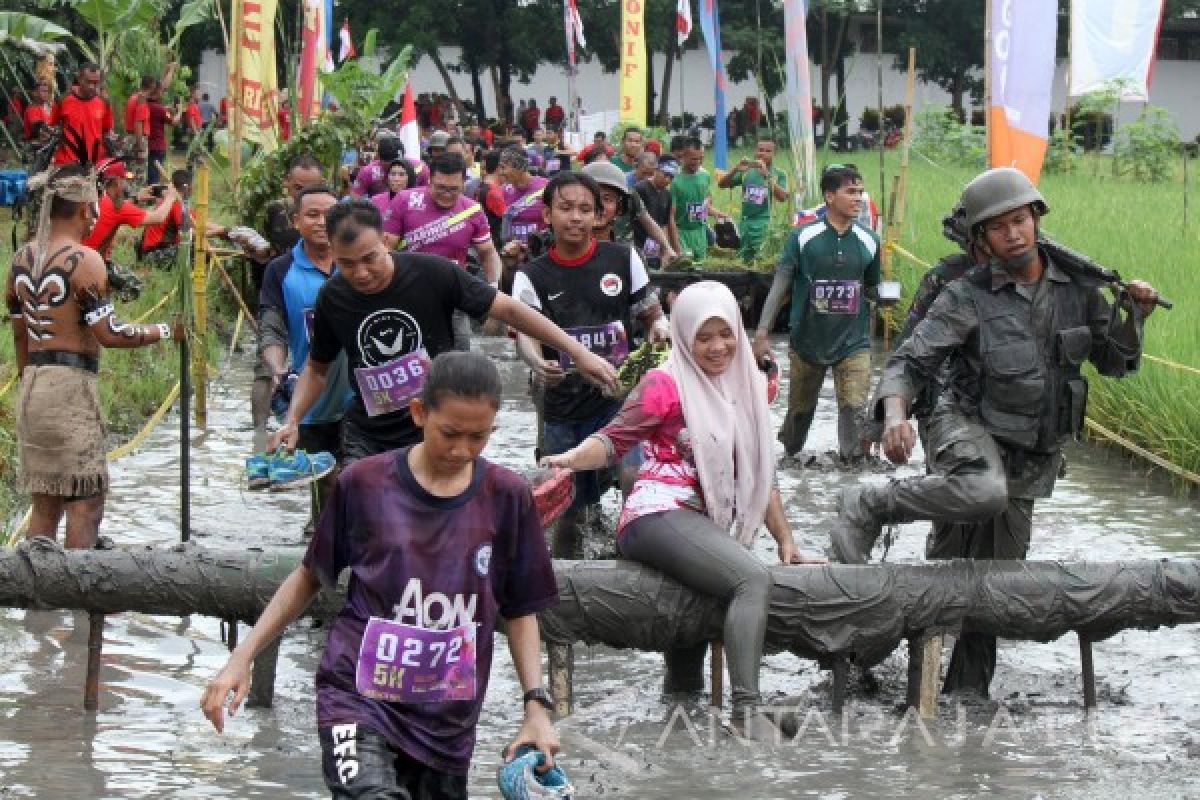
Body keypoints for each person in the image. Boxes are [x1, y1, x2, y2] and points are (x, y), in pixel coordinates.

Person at [830, 167, 1160, 695]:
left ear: (1036, 219)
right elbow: (909, 360)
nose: (1013, 234)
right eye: (998, 226)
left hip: (1032, 452)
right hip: (965, 432)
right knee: (954, 549)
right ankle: (895, 650)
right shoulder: (962, 290)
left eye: (1020, 220)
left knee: (996, 588)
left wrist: (1132, 316)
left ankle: (965, 696)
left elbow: (1116, 362)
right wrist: (893, 418)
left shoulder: (1079, 290)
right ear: (979, 237)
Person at [203, 351, 563, 799]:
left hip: (446, 722)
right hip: (356, 694)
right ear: (418, 413)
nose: (461, 450)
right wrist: (243, 656)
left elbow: (521, 608)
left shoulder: (507, 496)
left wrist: (535, 705)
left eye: (478, 438)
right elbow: (310, 576)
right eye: (449, 433)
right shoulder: (364, 483)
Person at [540, 281, 822, 740]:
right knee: (751, 578)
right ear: (685, 336)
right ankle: (747, 710)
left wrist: (786, 541)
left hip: (706, 523)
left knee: (689, 659)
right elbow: (615, 439)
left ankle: (683, 740)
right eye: (703, 337)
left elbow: (758, 470)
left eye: (726, 333)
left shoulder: (746, 383)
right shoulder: (664, 384)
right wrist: (571, 459)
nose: (717, 347)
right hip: (657, 514)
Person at [267, 199, 618, 463]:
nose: (360, 273)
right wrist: (292, 419)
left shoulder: (433, 273)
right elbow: (317, 367)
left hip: (438, 428)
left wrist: (578, 352)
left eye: (369, 258)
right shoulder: (333, 297)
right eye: (347, 263)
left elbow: (509, 308)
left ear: (385, 243)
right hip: (369, 435)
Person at [6, 164, 180, 550]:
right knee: (86, 501)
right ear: (85, 210)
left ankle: (43, 606)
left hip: (33, 387)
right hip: (70, 389)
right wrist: (166, 330)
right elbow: (111, 335)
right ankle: (79, 599)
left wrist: (29, 385)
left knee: (46, 502)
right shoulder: (85, 260)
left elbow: (20, 334)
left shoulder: (20, 259)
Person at [513, 171, 668, 543]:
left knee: (635, 479)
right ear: (547, 215)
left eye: (586, 209)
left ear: (600, 216)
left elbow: (651, 313)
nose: (576, 217)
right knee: (566, 509)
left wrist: (660, 329)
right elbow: (525, 338)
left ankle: (636, 556)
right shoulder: (530, 276)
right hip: (561, 406)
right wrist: (537, 363)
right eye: (566, 208)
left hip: (618, 398)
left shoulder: (622, 258)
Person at [754, 164, 879, 461]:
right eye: (851, 192)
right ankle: (790, 455)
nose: (858, 198)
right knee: (800, 413)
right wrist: (761, 333)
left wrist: (882, 302)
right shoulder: (802, 237)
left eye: (860, 192)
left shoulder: (869, 241)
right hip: (807, 340)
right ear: (829, 197)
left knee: (854, 407)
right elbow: (780, 284)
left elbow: (873, 289)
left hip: (854, 342)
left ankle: (852, 464)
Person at [258, 186, 353, 529]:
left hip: (362, 396)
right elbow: (271, 328)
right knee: (323, 484)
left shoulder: (360, 262)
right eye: (312, 215)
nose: (322, 222)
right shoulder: (280, 271)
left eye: (330, 214)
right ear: (296, 221)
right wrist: (278, 368)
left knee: (355, 477)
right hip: (310, 396)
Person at [382, 153, 504, 351]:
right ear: (429, 181)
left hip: (454, 294)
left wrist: (492, 290)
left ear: (464, 183)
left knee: (460, 356)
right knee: (409, 354)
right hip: (409, 292)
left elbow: (488, 253)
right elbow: (385, 248)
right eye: (440, 188)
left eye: (453, 189)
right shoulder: (405, 200)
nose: (446, 194)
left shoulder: (472, 210)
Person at [83, 158, 180, 261]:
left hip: (77, 257)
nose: (125, 185)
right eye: (123, 180)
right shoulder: (118, 207)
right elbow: (158, 218)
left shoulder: (90, 198)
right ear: (117, 182)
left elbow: (113, 210)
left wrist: (136, 198)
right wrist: (170, 197)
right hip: (92, 263)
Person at [582, 160, 677, 263]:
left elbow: (647, 220)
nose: (599, 206)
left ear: (620, 204)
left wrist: (667, 248)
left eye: (607, 199)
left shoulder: (631, 197)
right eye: (592, 197)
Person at [717, 136, 788, 265]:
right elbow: (722, 184)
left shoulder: (778, 174)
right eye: (760, 150)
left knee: (761, 259)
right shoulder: (747, 171)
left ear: (774, 153)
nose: (763, 154)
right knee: (743, 259)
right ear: (755, 151)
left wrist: (767, 176)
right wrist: (735, 169)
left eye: (768, 151)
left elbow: (783, 197)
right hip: (744, 223)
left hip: (763, 224)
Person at [51, 63, 116, 165]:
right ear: (79, 79)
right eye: (88, 82)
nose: (91, 86)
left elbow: (106, 131)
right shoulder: (63, 100)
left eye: (95, 83)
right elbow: (52, 125)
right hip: (67, 163)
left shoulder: (103, 102)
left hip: (94, 163)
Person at [670, 136, 718, 264]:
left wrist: (708, 203)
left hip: (700, 232)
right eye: (693, 159)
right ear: (683, 157)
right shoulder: (674, 180)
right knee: (684, 268)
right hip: (682, 233)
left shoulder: (705, 175)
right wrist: (676, 246)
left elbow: (708, 196)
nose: (697, 162)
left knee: (700, 269)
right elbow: (671, 216)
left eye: (700, 158)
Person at [497, 148, 549, 254]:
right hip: (512, 255)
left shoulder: (546, 187)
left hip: (539, 254)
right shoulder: (504, 190)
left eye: (503, 167)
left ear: (519, 167)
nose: (500, 172)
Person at [633, 156, 680, 270]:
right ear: (656, 170)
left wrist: (665, 249)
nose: (668, 180)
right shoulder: (640, 189)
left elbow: (664, 224)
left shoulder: (667, 195)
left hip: (655, 246)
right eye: (665, 175)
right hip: (638, 243)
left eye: (671, 177)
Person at [144, 81, 174, 185]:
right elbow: (173, 121)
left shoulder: (144, 105)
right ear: (158, 91)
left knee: (149, 173)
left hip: (147, 145)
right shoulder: (160, 109)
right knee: (155, 176)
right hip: (158, 146)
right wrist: (178, 111)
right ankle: (153, 197)